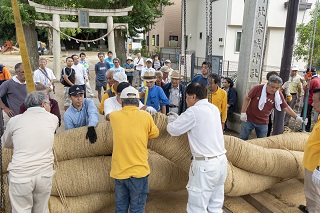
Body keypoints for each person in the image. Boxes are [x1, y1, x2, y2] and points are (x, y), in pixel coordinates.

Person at [166, 82, 227, 213]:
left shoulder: (193, 111)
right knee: (215, 205)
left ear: (193, 97)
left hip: (205, 166)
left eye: (187, 97)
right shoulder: (214, 109)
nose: (186, 101)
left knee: (197, 207)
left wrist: (171, 119)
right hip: (221, 162)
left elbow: (173, 130)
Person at [1, 91, 58, 213]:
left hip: (20, 176)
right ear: (43, 104)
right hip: (44, 175)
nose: (50, 107)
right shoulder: (53, 119)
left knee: (21, 210)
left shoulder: (15, 121)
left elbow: (5, 143)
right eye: (49, 104)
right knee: (42, 210)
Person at [109, 86, 159, 213]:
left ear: (121, 101)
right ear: (138, 102)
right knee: (137, 209)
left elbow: (107, 116)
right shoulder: (146, 117)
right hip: (139, 172)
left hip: (119, 172)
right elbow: (155, 134)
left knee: (120, 208)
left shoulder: (114, 117)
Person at [240, 75, 307, 140]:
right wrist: (243, 112)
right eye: (272, 87)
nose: (274, 89)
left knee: (262, 142)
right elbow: (247, 98)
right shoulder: (258, 88)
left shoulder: (278, 95)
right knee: (243, 138)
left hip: (263, 122)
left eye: (277, 88)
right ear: (267, 84)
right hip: (249, 119)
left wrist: (297, 117)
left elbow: (286, 107)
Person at [300, 88, 320, 213]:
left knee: (314, 193)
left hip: (316, 166)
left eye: (315, 101)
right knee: (310, 190)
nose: (312, 104)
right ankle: (310, 208)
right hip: (311, 162)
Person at [301, 67, 320, 132]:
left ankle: (306, 128)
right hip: (313, 100)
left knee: (305, 115)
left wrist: (304, 82)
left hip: (310, 101)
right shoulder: (318, 79)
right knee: (308, 115)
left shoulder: (313, 81)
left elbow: (306, 89)